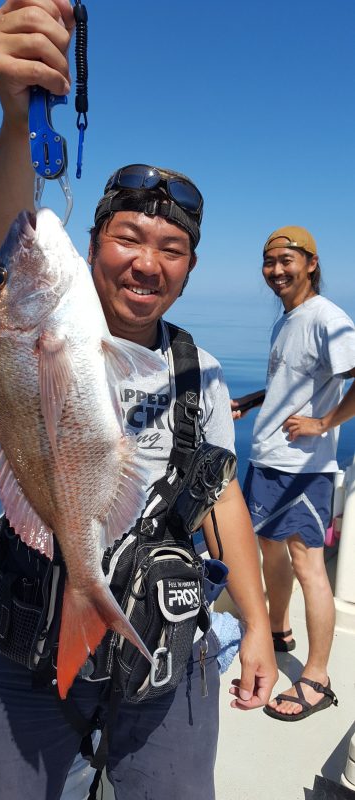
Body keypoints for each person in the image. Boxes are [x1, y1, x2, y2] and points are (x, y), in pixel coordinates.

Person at [0, 2, 277, 798]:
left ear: (190, 269)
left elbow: (222, 498)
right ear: (93, 242)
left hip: (163, 648)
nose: (147, 262)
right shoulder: (28, 326)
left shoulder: (200, 372)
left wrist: (258, 625)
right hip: (28, 643)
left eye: (172, 249)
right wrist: (16, 119)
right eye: (128, 237)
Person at [233, 225, 355, 721]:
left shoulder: (328, 317)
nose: (277, 270)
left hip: (303, 468)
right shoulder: (288, 319)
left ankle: (317, 678)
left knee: (309, 566)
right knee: (269, 550)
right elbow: (296, 381)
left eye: (287, 260)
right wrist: (254, 400)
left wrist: (324, 423)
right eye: (270, 262)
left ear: (311, 263)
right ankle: (278, 629)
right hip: (268, 459)